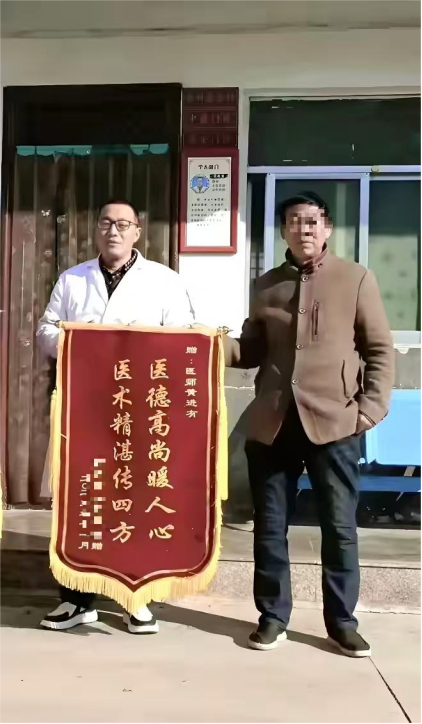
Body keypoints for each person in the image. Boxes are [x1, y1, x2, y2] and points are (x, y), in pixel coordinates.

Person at [224, 192, 394, 657]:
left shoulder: (356, 278)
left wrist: (368, 410)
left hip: (335, 423)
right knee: (269, 527)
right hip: (273, 423)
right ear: (283, 230)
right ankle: (272, 617)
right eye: (294, 221)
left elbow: (379, 349)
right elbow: (252, 349)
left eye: (312, 221)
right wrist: (209, 345)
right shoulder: (266, 285)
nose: (304, 229)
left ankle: (342, 622)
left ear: (327, 228)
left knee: (339, 528)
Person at [37, 200, 195, 633]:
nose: (114, 231)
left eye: (123, 224)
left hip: (140, 410)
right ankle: (76, 599)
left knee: (135, 499)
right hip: (84, 407)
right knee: (82, 498)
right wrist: (79, 342)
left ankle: (135, 599)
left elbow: (183, 336)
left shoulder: (164, 281)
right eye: (106, 223)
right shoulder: (73, 279)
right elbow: (46, 329)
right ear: (96, 229)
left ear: (137, 232)